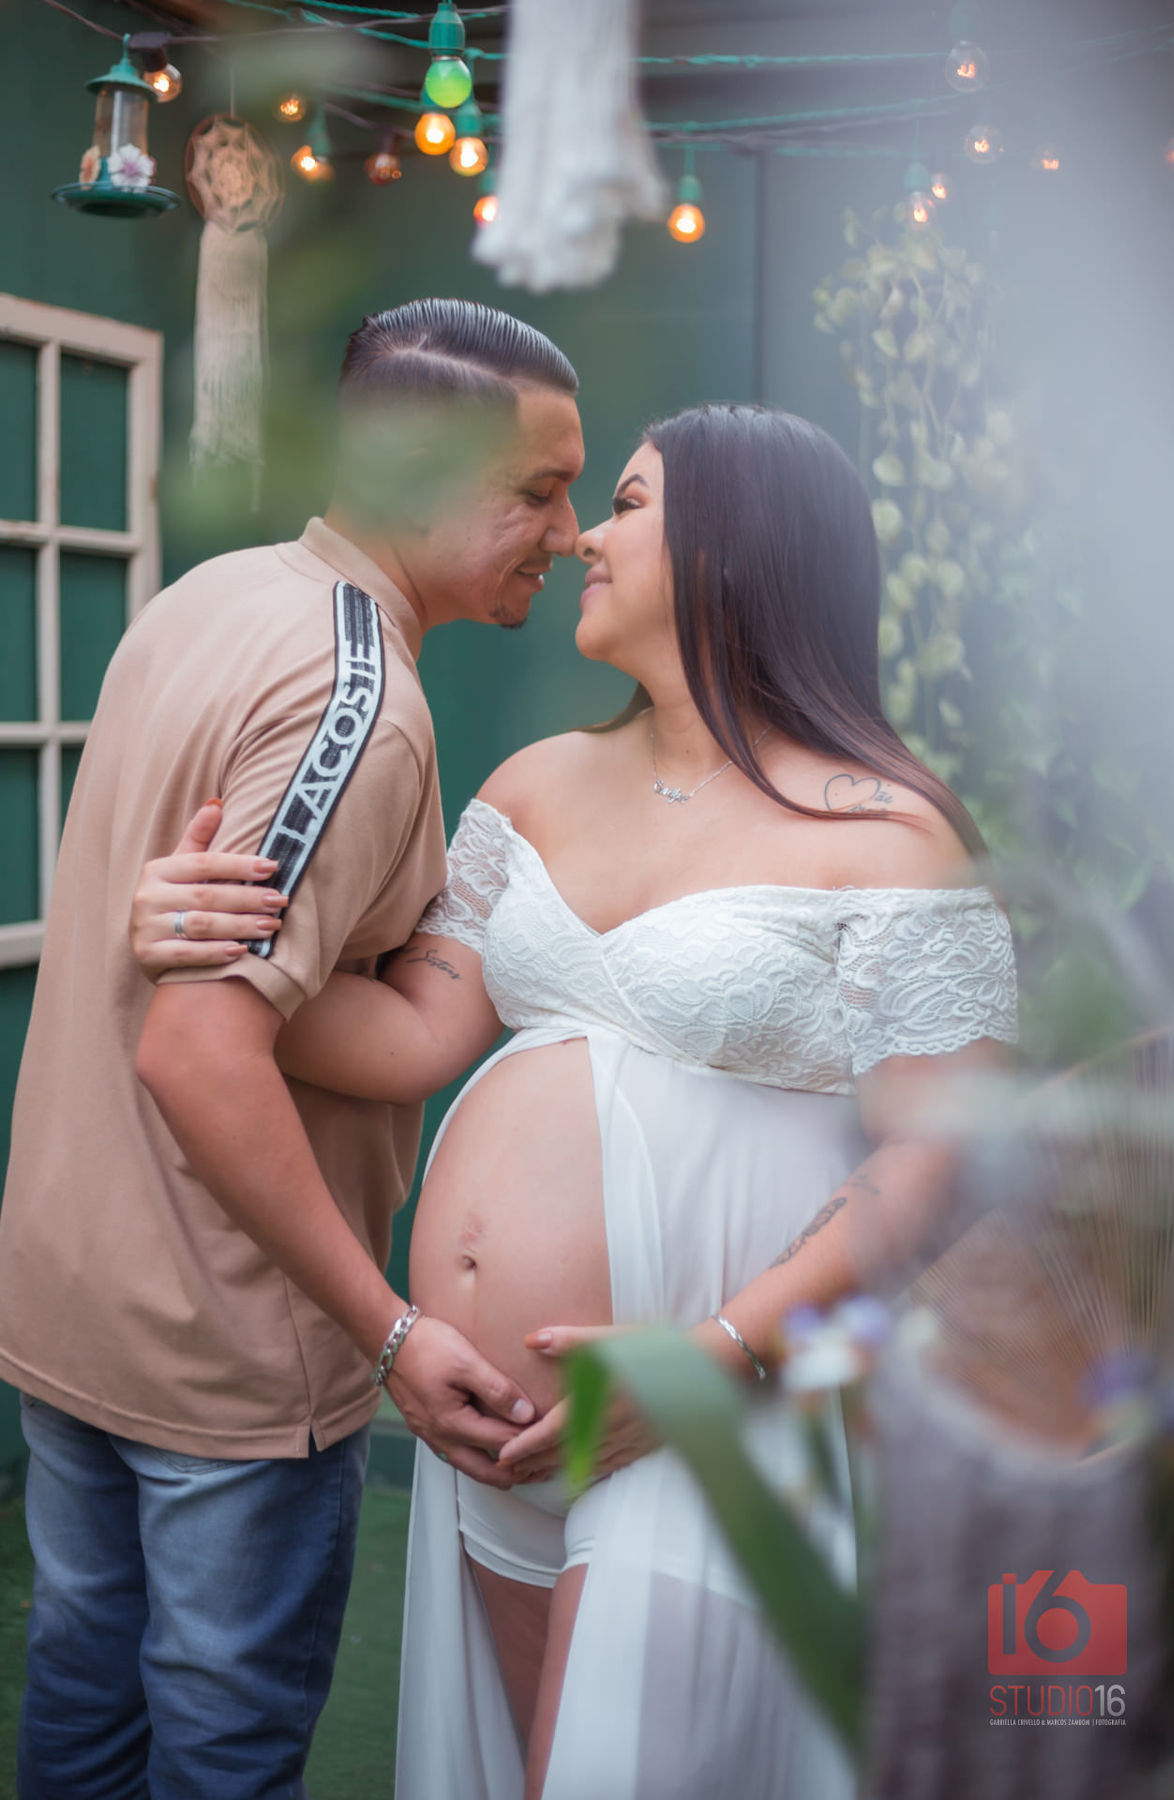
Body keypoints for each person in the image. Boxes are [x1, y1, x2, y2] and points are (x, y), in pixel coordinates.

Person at [130, 404, 1019, 1799]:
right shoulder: (534, 785)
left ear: (735, 549)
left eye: (628, 504)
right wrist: (207, 939)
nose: (586, 538)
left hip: (716, 1404)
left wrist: (715, 1358)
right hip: (490, 1433)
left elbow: (939, 1159)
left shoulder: (889, 834)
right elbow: (412, 1032)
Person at [0, 299, 587, 1800]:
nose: (570, 534)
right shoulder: (357, 700)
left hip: (72, 1289)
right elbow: (197, 1050)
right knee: (221, 1746)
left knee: (79, 1693)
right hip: (221, 1343)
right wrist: (389, 1336)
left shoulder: (207, 597)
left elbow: (184, 962)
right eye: (537, 491)